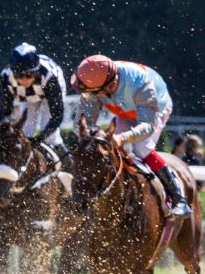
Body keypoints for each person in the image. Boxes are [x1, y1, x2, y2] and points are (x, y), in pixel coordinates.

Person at [72, 54, 190, 218]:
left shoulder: (139, 82)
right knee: (107, 150)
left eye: (94, 93)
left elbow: (147, 126)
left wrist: (123, 137)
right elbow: (81, 124)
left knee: (141, 148)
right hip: (124, 111)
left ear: (109, 85)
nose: (90, 97)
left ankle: (179, 198)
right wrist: (91, 134)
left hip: (155, 109)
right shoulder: (94, 83)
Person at [0, 42, 69, 171]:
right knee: (25, 133)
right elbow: (4, 110)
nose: (23, 80)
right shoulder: (6, 77)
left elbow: (57, 116)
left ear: (36, 72)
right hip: (27, 97)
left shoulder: (50, 77)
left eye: (28, 75)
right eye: (18, 75)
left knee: (51, 137)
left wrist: (41, 137)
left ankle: (71, 170)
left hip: (48, 93)